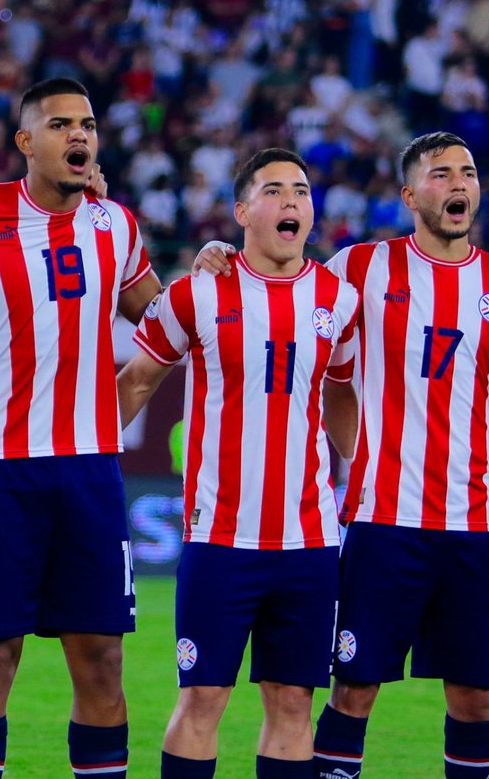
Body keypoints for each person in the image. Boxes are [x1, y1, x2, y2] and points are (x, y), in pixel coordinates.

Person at [195, 132, 489, 778]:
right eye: (441, 174)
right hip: (381, 527)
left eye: (467, 171)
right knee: (354, 692)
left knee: (475, 699)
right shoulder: (360, 270)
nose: (459, 183)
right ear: (411, 196)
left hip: (471, 530)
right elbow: (295, 309)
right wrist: (222, 252)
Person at [0, 77, 163, 779]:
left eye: (88, 124)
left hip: (89, 473)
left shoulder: (116, 225)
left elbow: (167, 324)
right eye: (60, 125)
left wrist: (210, 275)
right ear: (25, 142)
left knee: (102, 660)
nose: (79, 135)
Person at [117, 149, 360, 779]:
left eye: (301, 191)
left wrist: (363, 465)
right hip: (221, 537)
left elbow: (339, 390)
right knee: (202, 699)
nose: (290, 201)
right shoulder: (197, 294)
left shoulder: (339, 300)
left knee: (292, 705)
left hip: (308, 540)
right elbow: (138, 381)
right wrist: (80, 454)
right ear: (241, 211)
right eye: (273, 190)